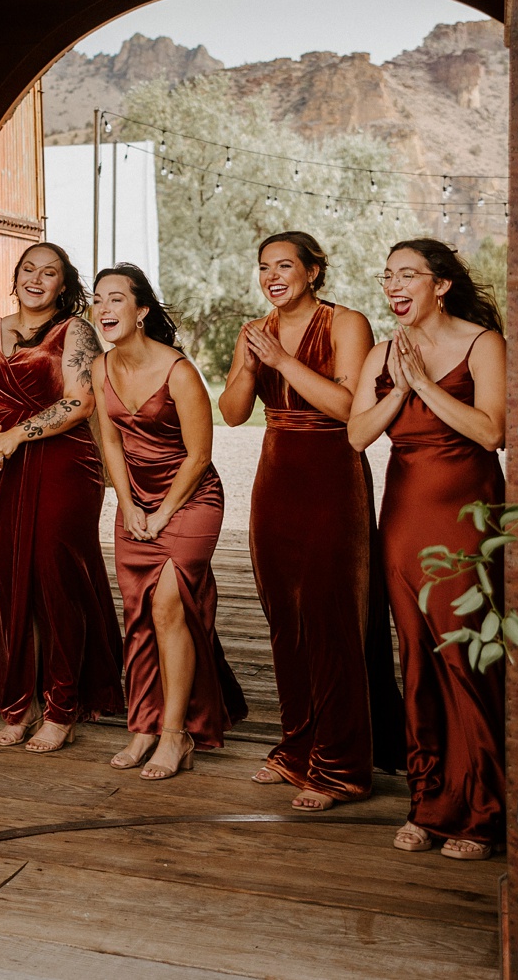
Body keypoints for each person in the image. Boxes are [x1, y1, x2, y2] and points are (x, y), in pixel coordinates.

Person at [219, 233, 402, 809]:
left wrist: (281, 361)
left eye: (285, 265)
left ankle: (344, 765)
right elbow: (230, 413)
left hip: (331, 477)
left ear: (314, 271)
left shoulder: (346, 323)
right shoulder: (256, 329)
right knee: (284, 620)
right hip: (275, 480)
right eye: (264, 267)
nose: (273, 276)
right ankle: (297, 747)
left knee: (331, 619)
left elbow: (349, 407)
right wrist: (251, 365)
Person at [349, 238, 507, 861]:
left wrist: (425, 385)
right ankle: (429, 804)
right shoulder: (382, 353)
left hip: (467, 517)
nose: (394, 285)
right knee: (416, 658)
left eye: (407, 275)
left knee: (465, 659)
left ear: (440, 285)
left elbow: (492, 430)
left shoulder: (481, 343)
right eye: (388, 276)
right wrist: (397, 387)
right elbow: (358, 436)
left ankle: (483, 813)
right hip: (405, 521)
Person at [0, 243, 123, 753]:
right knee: (8, 584)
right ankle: (17, 702)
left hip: (62, 465)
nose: (36, 278)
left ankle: (62, 705)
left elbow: (80, 399)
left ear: (62, 284)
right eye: (29, 269)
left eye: (49, 272)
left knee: (56, 580)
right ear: (16, 276)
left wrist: (13, 436)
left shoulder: (75, 332)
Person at [92, 263, 246, 781]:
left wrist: (161, 514)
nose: (104, 308)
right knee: (137, 613)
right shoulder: (101, 367)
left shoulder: (178, 371)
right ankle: (144, 723)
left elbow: (200, 454)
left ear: (141, 311)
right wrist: (127, 504)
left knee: (166, 606)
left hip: (191, 499)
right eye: (97, 299)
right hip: (136, 501)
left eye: (116, 299)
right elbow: (110, 441)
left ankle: (176, 732)